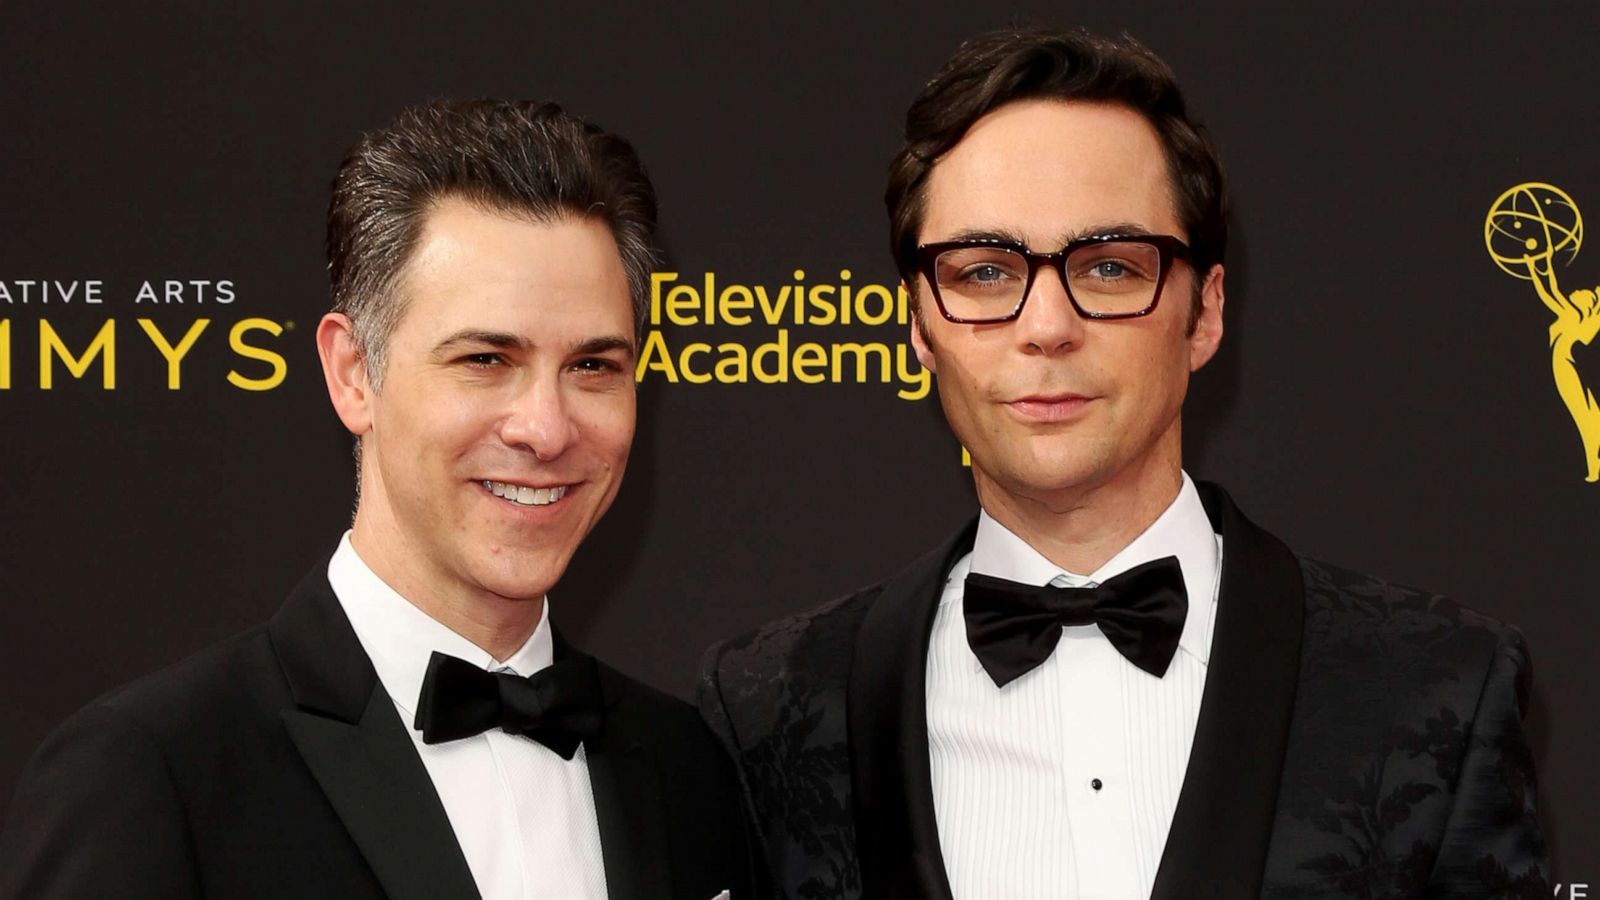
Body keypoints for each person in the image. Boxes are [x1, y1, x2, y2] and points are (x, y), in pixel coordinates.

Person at [698, 26, 1548, 900]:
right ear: (918, 323)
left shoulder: (1437, 686)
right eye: (985, 272)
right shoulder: (770, 706)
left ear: (1206, 312)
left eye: (1107, 267)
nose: (1045, 325)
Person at [1, 99, 755, 900]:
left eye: (594, 366)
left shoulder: (690, 769)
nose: (546, 427)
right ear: (353, 373)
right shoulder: (156, 773)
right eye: (485, 359)